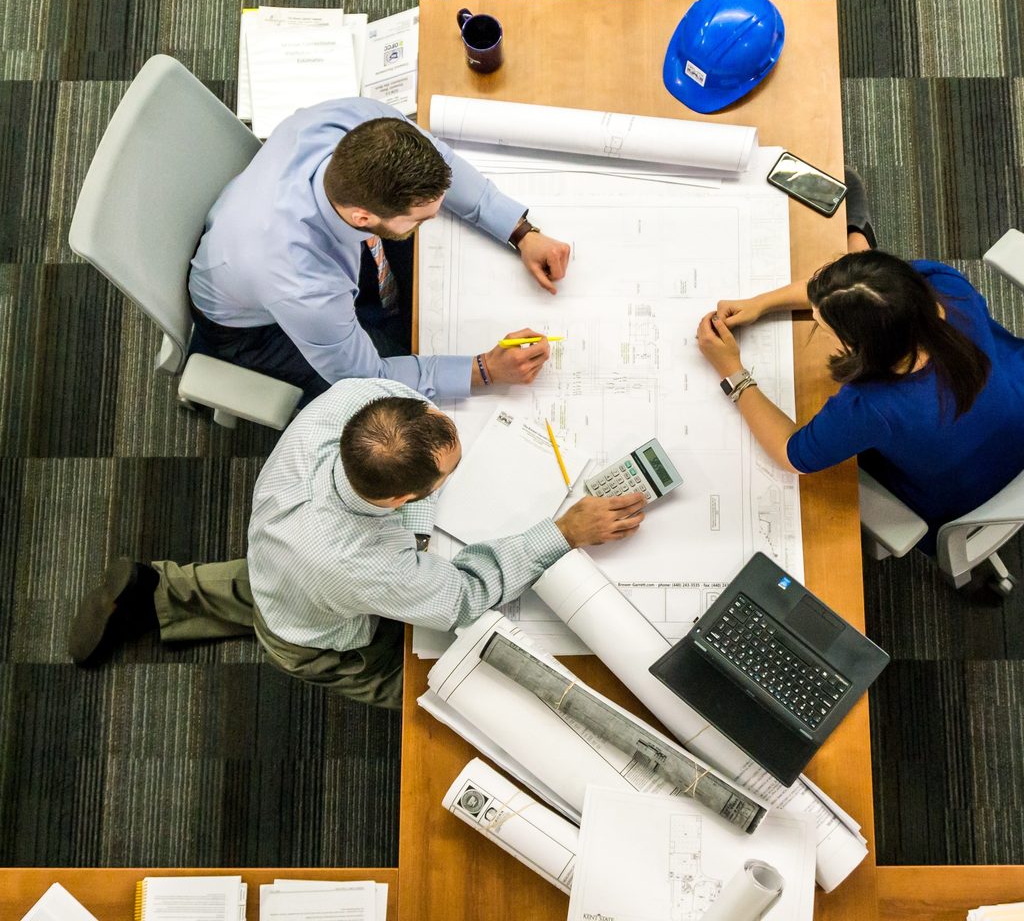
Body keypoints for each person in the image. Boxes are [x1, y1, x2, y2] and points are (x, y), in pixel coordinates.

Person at [68, 378, 646, 709]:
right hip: (318, 634)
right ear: (399, 501)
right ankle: (169, 599)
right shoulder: (359, 564)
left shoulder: (355, 402)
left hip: (283, 555)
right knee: (435, 687)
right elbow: (463, 598)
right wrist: (562, 532)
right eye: (448, 473)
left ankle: (158, 590)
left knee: (278, 583)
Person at [188, 97, 573, 402]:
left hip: (261, 239)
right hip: (252, 328)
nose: (435, 219)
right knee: (394, 400)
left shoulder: (360, 121)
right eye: (421, 218)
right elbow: (368, 378)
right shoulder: (302, 283)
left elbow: (444, 163)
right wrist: (485, 370)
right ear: (362, 217)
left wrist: (520, 231)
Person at [696, 247, 1024, 559]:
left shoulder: (872, 407)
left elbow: (792, 454)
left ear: (864, 347)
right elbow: (853, 292)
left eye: (824, 328)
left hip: (960, 492)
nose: (816, 322)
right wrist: (762, 303)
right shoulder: (944, 285)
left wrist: (732, 371)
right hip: (1013, 410)